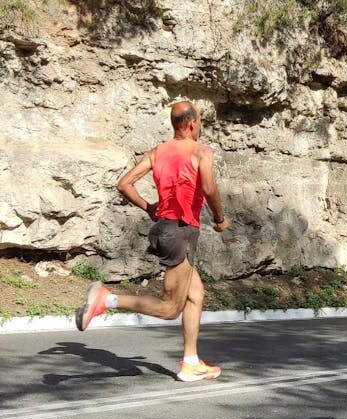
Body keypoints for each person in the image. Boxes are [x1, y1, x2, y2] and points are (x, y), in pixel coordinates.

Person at [75, 101, 230, 382]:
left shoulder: (158, 151)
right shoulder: (200, 150)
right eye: (201, 121)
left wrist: (149, 207)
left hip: (165, 228)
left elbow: (124, 184)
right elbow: (208, 187)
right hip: (181, 232)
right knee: (171, 308)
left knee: (196, 295)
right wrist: (220, 218)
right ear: (193, 123)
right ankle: (106, 300)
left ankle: (191, 362)